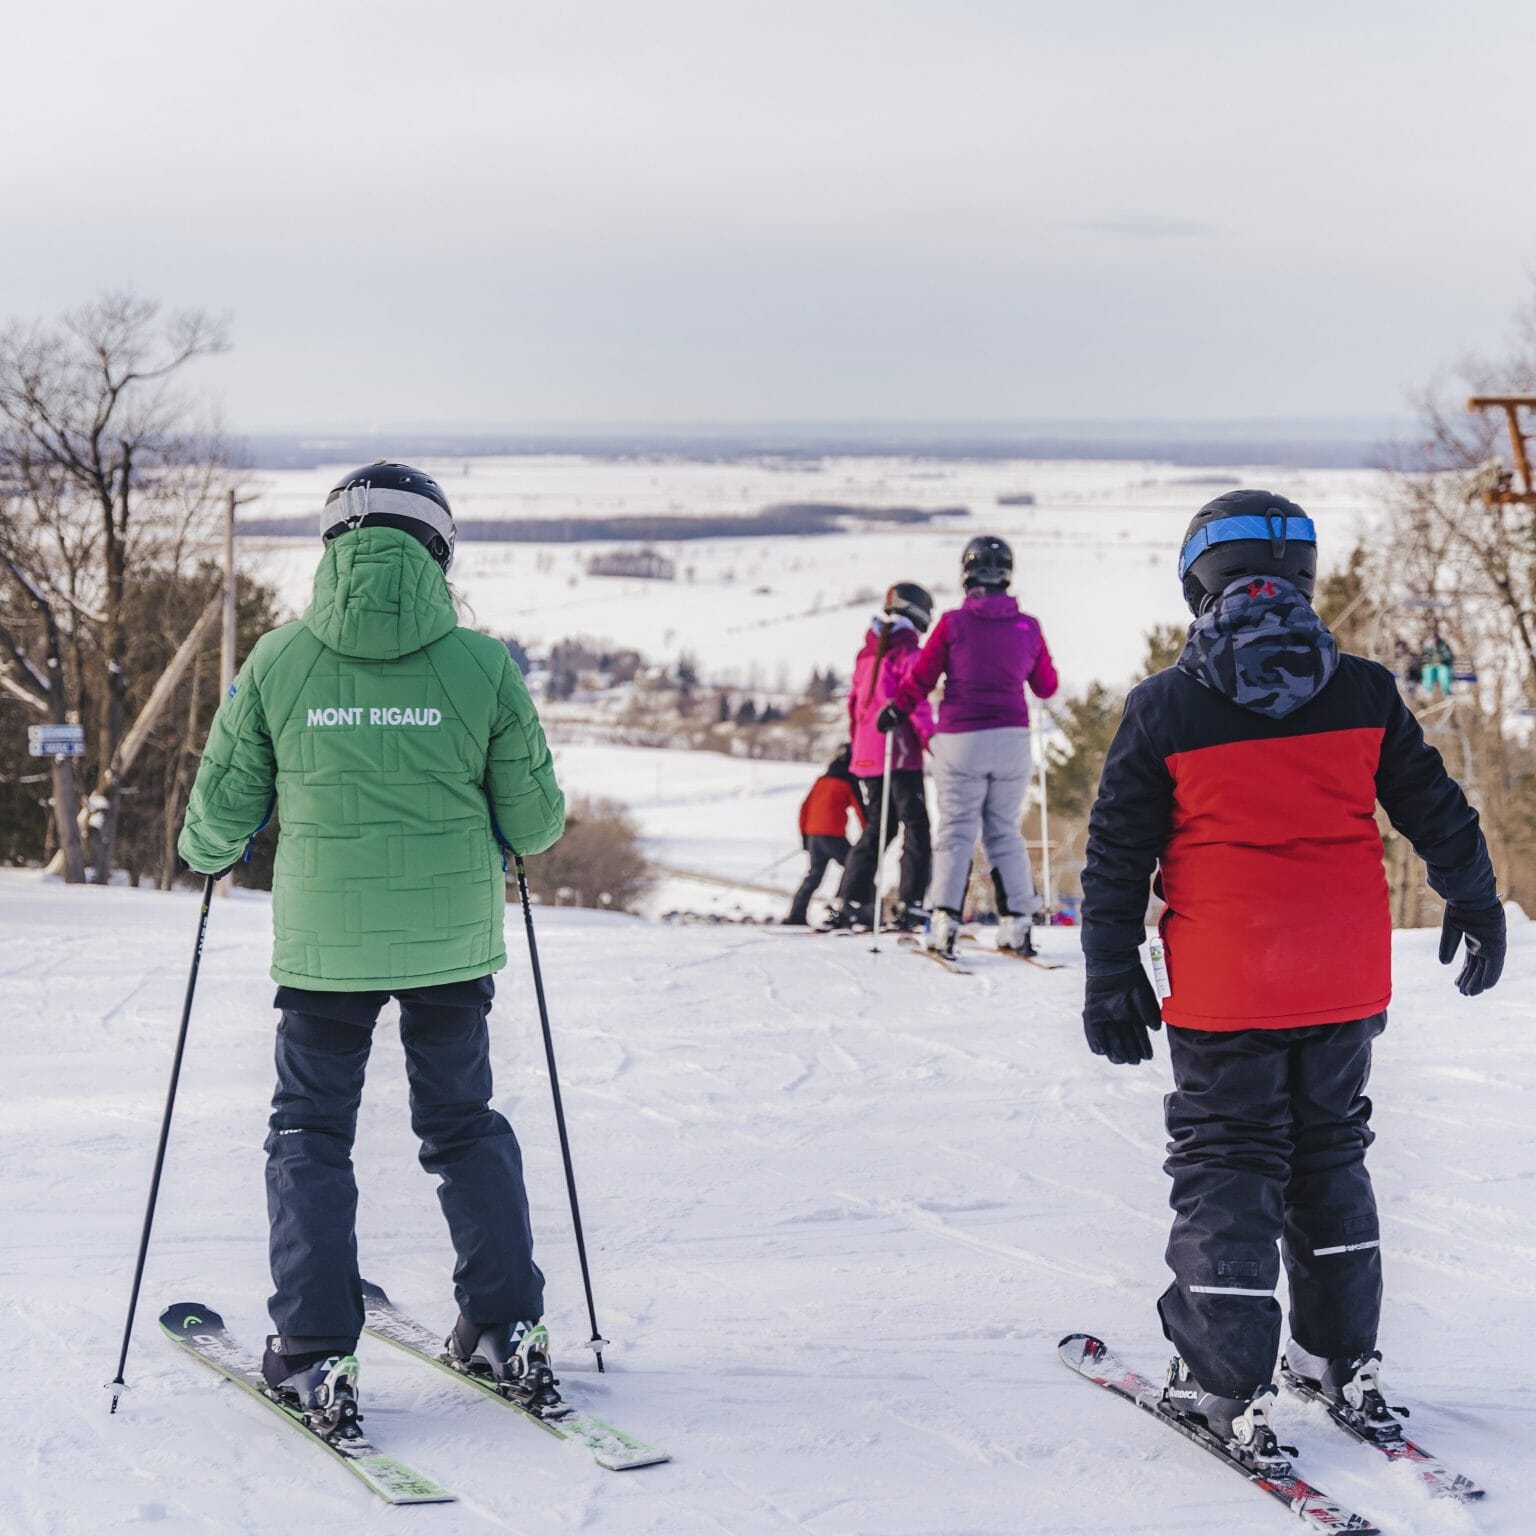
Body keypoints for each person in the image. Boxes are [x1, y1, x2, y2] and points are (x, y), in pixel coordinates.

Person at [1079, 488, 1505, 1468]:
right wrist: (1474, 902)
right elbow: (1436, 810)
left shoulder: (1165, 707)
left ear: (1197, 584)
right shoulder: (1361, 692)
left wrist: (1109, 970)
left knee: (1229, 1165)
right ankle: (1338, 1357)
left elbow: (1116, 856)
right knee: (1327, 1160)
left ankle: (1225, 1383)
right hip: (1345, 981)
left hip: (1228, 988)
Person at [178, 461, 567, 1420]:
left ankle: (311, 1349)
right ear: (437, 546)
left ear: (334, 544)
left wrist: (207, 850)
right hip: (451, 950)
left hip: (325, 953)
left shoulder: (278, 660)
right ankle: (505, 1328)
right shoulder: (484, 666)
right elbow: (535, 824)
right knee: (463, 1124)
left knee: (311, 1132)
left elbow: (215, 824)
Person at [877, 538, 1058, 957]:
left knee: (956, 831)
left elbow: (920, 679)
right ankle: (1019, 923)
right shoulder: (1027, 626)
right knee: (1004, 832)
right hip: (1011, 740)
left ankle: (944, 922)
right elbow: (1046, 685)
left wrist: (896, 710)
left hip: (960, 741)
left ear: (966, 573)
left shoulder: (953, 624)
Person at [823, 582, 936, 931]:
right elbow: (912, 702)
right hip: (898, 752)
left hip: (869, 756)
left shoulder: (867, 651)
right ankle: (911, 903)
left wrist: (858, 750)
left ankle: (851, 899)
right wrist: (936, 744)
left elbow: (854, 705)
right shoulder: (907, 651)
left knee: (878, 828)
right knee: (916, 827)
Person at [785, 745, 866, 926]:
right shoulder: (848, 780)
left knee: (813, 876)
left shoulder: (821, 780)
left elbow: (804, 808)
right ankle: (843, 905)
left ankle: (796, 915)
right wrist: (869, 837)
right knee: (857, 867)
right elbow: (861, 811)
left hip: (814, 835)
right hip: (833, 836)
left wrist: (806, 838)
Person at [1421, 631, 1454, 700]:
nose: (1433, 640)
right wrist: (1429, 661)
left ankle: (1447, 692)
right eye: (1432, 639)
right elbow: (1425, 657)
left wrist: (1442, 660)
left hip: (1442, 665)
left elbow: (1448, 656)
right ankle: (1428, 690)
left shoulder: (1443, 645)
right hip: (1432, 667)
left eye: (1434, 638)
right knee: (1427, 670)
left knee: (1443, 674)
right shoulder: (1428, 646)